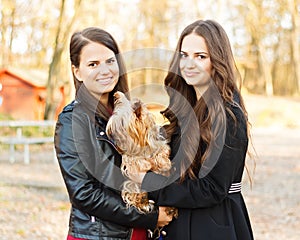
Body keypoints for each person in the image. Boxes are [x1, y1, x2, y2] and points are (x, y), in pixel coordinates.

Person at [128, 19, 254, 240]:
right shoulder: (185, 108)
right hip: (180, 224)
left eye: (200, 57)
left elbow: (212, 189)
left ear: (217, 61)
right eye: (184, 56)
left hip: (213, 225)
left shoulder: (228, 115)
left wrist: (148, 182)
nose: (189, 64)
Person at [54, 27, 172, 240]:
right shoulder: (73, 120)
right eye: (93, 64)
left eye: (110, 61)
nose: (105, 70)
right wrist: (151, 217)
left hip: (139, 233)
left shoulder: (128, 113)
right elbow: (84, 194)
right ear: (77, 71)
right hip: (98, 235)